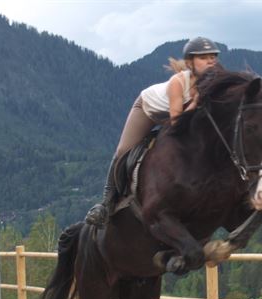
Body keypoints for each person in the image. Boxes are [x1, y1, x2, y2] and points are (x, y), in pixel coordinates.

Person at [85, 37, 221, 227]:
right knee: (124, 150)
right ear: (190, 63)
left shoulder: (216, 81)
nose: (210, 61)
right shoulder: (178, 82)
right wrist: (196, 101)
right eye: (203, 57)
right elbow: (176, 122)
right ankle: (105, 204)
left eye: (213, 57)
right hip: (149, 109)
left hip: (179, 116)